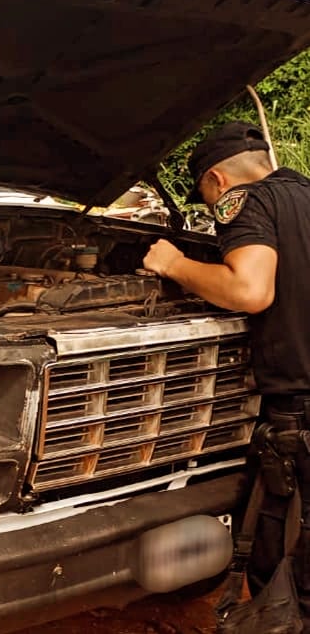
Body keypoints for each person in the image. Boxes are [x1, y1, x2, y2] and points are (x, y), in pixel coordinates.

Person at [143, 120, 310, 628]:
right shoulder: (304, 192)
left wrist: (174, 263)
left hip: (299, 408)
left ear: (216, 181)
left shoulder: (245, 202)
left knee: (283, 555)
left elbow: (249, 290)